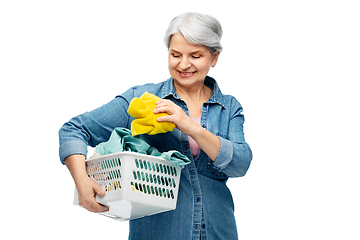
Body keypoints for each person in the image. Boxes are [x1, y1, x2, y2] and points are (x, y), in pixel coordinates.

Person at [59, 12, 252, 240]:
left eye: (196, 55)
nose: (184, 64)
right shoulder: (142, 99)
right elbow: (74, 129)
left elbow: (240, 164)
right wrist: (81, 180)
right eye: (175, 54)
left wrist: (190, 127)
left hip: (218, 231)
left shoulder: (228, 107)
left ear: (214, 58)